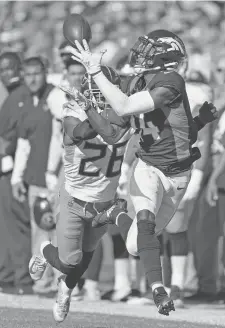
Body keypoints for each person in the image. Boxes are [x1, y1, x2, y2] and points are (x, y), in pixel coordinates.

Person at [67, 29, 218, 315]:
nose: (141, 54)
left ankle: (116, 214)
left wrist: (198, 120)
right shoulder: (138, 83)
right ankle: (159, 290)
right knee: (146, 221)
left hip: (179, 175)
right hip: (147, 166)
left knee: (136, 245)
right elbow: (112, 133)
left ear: (165, 57)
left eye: (149, 51)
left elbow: (178, 135)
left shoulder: (171, 81)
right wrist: (88, 111)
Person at [28, 66, 133, 323]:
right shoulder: (72, 112)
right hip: (75, 198)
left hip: (104, 201)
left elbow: (120, 127)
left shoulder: (124, 113)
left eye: (104, 91)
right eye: (95, 91)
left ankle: (65, 291)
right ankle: (44, 250)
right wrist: (89, 109)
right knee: (68, 262)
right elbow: (84, 132)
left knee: (84, 260)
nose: (100, 96)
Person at [11, 56, 66, 295]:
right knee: (40, 231)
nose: (32, 79)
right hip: (35, 178)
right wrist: (16, 177)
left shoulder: (56, 97)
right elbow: (23, 142)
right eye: (28, 74)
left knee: (61, 230)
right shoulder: (25, 101)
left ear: (45, 73)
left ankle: (62, 281)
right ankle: (41, 283)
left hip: (59, 176)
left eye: (37, 73)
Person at [0, 51, 32, 295]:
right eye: (2, 70)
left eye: (10, 68)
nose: (6, 73)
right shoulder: (12, 96)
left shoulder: (22, 96)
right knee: (7, 226)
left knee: (17, 225)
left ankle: (21, 277)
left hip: (14, 170)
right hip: (9, 167)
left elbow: (14, 135)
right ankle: (9, 275)